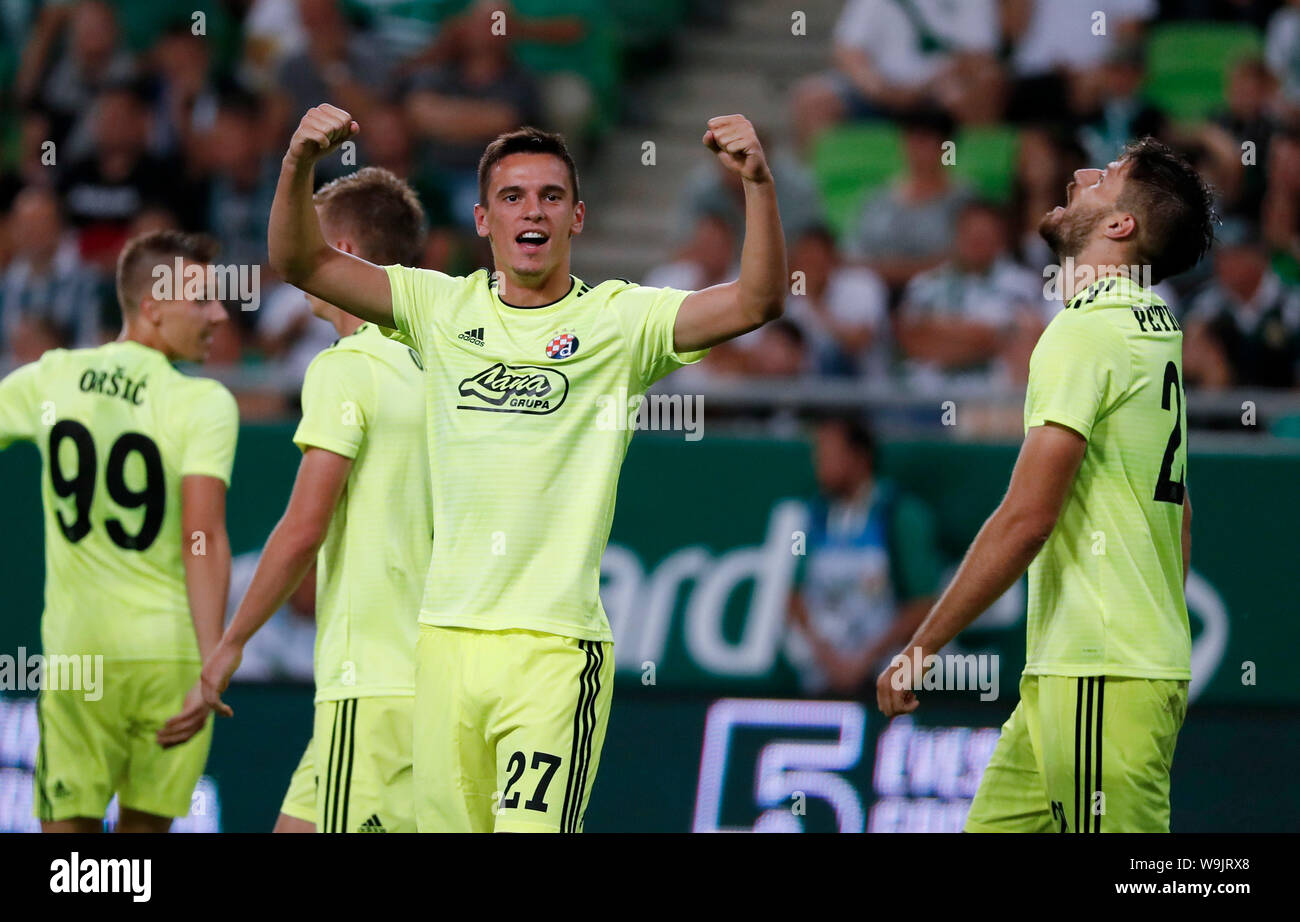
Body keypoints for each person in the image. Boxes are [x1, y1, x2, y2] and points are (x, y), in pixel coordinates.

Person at [268, 104, 786, 832]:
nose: (531, 211)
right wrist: (297, 165)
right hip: (443, 649)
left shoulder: (619, 321)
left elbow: (758, 300)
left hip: (552, 650)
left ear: (577, 216)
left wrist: (758, 186)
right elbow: (301, 263)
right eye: (512, 197)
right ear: (483, 220)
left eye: (550, 196)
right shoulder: (439, 307)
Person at [877, 137, 1214, 833]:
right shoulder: (1156, 327)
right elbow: (1180, 513)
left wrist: (922, 647)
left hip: (1098, 671)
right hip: (1078, 674)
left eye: (1108, 175)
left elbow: (1027, 519)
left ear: (1121, 226)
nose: (1082, 172)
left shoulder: (1084, 332)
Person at [164, 167, 433, 834]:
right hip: (433, 684)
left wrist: (229, 645)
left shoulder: (346, 366)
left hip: (372, 690)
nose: (287, 259)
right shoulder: (444, 361)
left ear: (340, 251)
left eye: (301, 240)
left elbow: (302, 527)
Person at [0, 230, 237, 832]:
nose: (219, 313)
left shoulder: (53, 376)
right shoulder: (205, 404)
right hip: (169, 659)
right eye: (202, 300)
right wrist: (213, 660)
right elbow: (200, 537)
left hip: (79, 657)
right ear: (153, 305)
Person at [786, 416, 942, 697]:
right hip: (822, 680)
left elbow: (924, 603)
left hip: (887, 684)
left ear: (859, 457)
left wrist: (865, 660)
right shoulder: (813, 516)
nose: (819, 466)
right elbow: (795, 597)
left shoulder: (901, 516)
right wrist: (829, 659)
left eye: (829, 455)